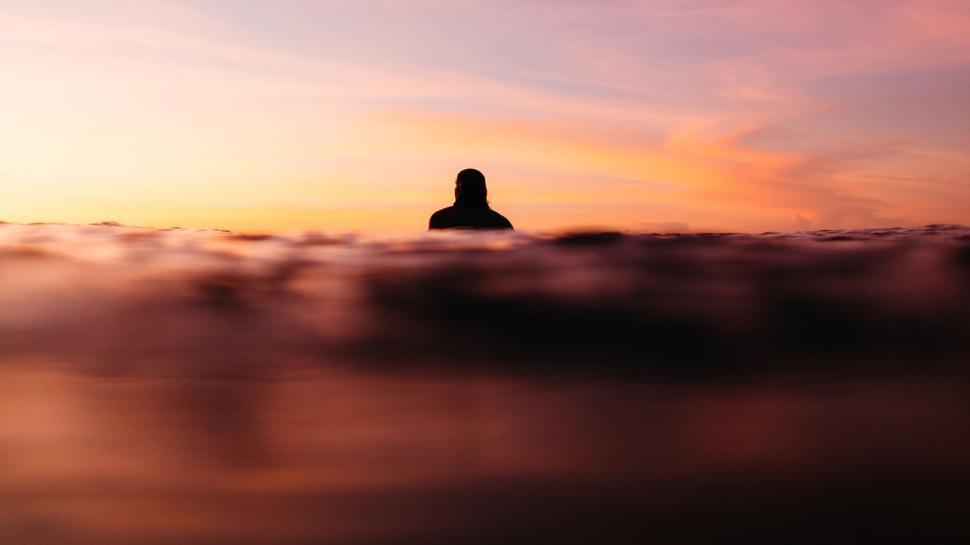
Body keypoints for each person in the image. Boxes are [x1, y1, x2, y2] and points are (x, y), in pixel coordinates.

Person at [429, 169, 514, 230]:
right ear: (483, 190)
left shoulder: (440, 218)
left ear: (460, 188)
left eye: (456, 185)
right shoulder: (501, 222)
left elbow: (430, 252)